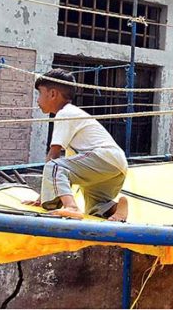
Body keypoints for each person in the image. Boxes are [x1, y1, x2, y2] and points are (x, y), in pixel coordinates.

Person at [24, 69, 128, 221]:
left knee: (54, 166)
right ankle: (116, 208)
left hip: (102, 158)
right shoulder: (74, 114)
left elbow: (54, 156)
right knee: (95, 208)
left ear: (52, 94)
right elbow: (69, 170)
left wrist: (44, 194)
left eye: (39, 94)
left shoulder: (65, 113)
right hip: (115, 165)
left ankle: (71, 207)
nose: (38, 100)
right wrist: (43, 197)